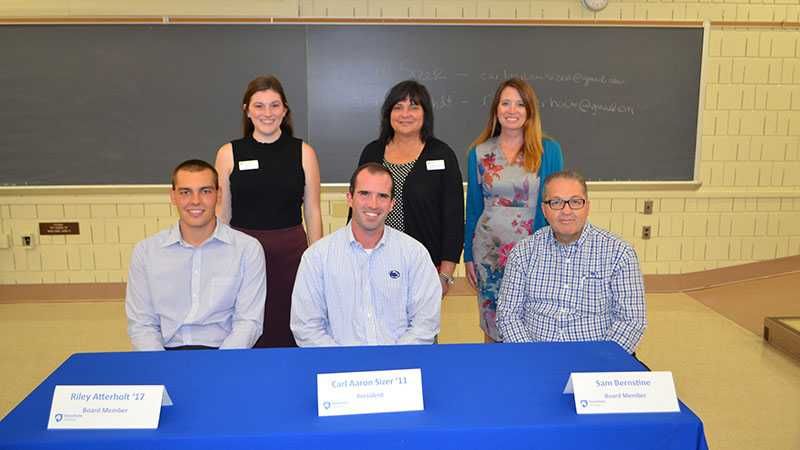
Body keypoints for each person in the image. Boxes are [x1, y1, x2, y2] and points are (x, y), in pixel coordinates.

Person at [215, 75, 322, 348]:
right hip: (243, 253)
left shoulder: (304, 152)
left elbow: (312, 209)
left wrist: (317, 261)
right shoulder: (228, 153)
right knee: (246, 325)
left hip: (290, 254)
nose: (267, 113)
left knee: (289, 324)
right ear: (246, 110)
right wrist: (220, 259)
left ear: (285, 110)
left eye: (274, 105)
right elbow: (222, 213)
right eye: (259, 106)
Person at [290, 163, 441, 347]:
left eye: (382, 196)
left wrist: (391, 360)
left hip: (399, 368)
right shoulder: (317, 257)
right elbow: (306, 327)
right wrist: (346, 363)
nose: (373, 204)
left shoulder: (415, 254)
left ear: (392, 204)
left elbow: (425, 324)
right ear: (349, 198)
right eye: (364, 194)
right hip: (338, 368)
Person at [496, 171, 646, 354]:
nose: (566, 211)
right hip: (535, 355)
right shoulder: (523, 253)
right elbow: (508, 316)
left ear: (587, 207)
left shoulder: (619, 254)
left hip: (597, 359)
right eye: (556, 202)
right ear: (544, 210)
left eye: (575, 202)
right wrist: (532, 355)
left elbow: (631, 321)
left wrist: (600, 361)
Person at [125, 159, 266, 351]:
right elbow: (142, 325)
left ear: (219, 194)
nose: (195, 201)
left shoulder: (247, 250)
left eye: (205, 191)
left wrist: (218, 365)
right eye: (185, 192)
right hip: (164, 353)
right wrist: (159, 366)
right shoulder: (146, 252)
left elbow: (248, 322)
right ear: (173, 196)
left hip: (223, 354)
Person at [464, 78, 564, 342]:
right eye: (505, 103)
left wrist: (552, 252)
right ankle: (494, 380)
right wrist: (468, 256)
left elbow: (555, 204)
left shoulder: (548, 150)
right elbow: (473, 208)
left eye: (520, 104)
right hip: (489, 253)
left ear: (530, 111)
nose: (512, 110)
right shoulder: (479, 153)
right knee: (493, 325)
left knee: (532, 324)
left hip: (533, 252)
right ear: (496, 109)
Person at [356, 80, 464, 296]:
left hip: (423, 267)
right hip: (371, 262)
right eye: (398, 107)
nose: (406, 114)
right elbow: (356, 210)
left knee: (420, 329)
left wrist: (445, 274)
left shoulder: (442, 155)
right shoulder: (372, 152)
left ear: (425, 114)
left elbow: (453, 218)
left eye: (414, 106)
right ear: (388, 113)